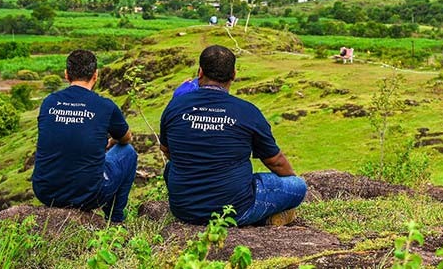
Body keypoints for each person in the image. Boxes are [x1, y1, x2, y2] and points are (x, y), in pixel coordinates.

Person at [159, 45, 307, 226]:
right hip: (235, 209)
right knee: (298, 186)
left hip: (184, 210)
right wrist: (291, 179)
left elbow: (167, 151)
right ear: (234, 74)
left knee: (171, 168)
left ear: (200, 72)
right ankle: (259, 216)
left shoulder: (175, 106)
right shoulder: (247, 111)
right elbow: (275, 161)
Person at [32, 49, 137, 222]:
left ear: (66, 75)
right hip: (88, 196)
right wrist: (111, 141)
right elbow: (126, 138)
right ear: (95, 75)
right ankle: (115, 218)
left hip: (45, 191)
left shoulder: (49, 102)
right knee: (128, 152)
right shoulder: (104, 105)